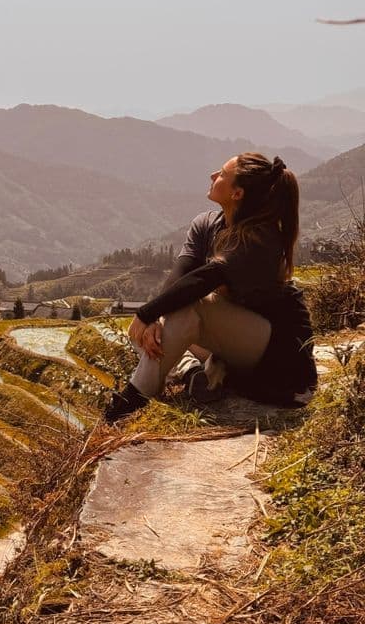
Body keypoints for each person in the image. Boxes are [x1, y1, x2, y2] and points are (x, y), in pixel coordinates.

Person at [105, 152, 317, 422]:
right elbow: (181, 275)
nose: (213, 176)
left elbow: (205, 278)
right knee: (152, 329)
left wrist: (145, 313)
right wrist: (154, 319)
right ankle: (193, 373)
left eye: (222, 174)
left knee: (187, 307)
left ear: (237, 193)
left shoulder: (259, 238)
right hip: (236, 340)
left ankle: (127, 405)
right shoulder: (207, 224)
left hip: (274, 351)